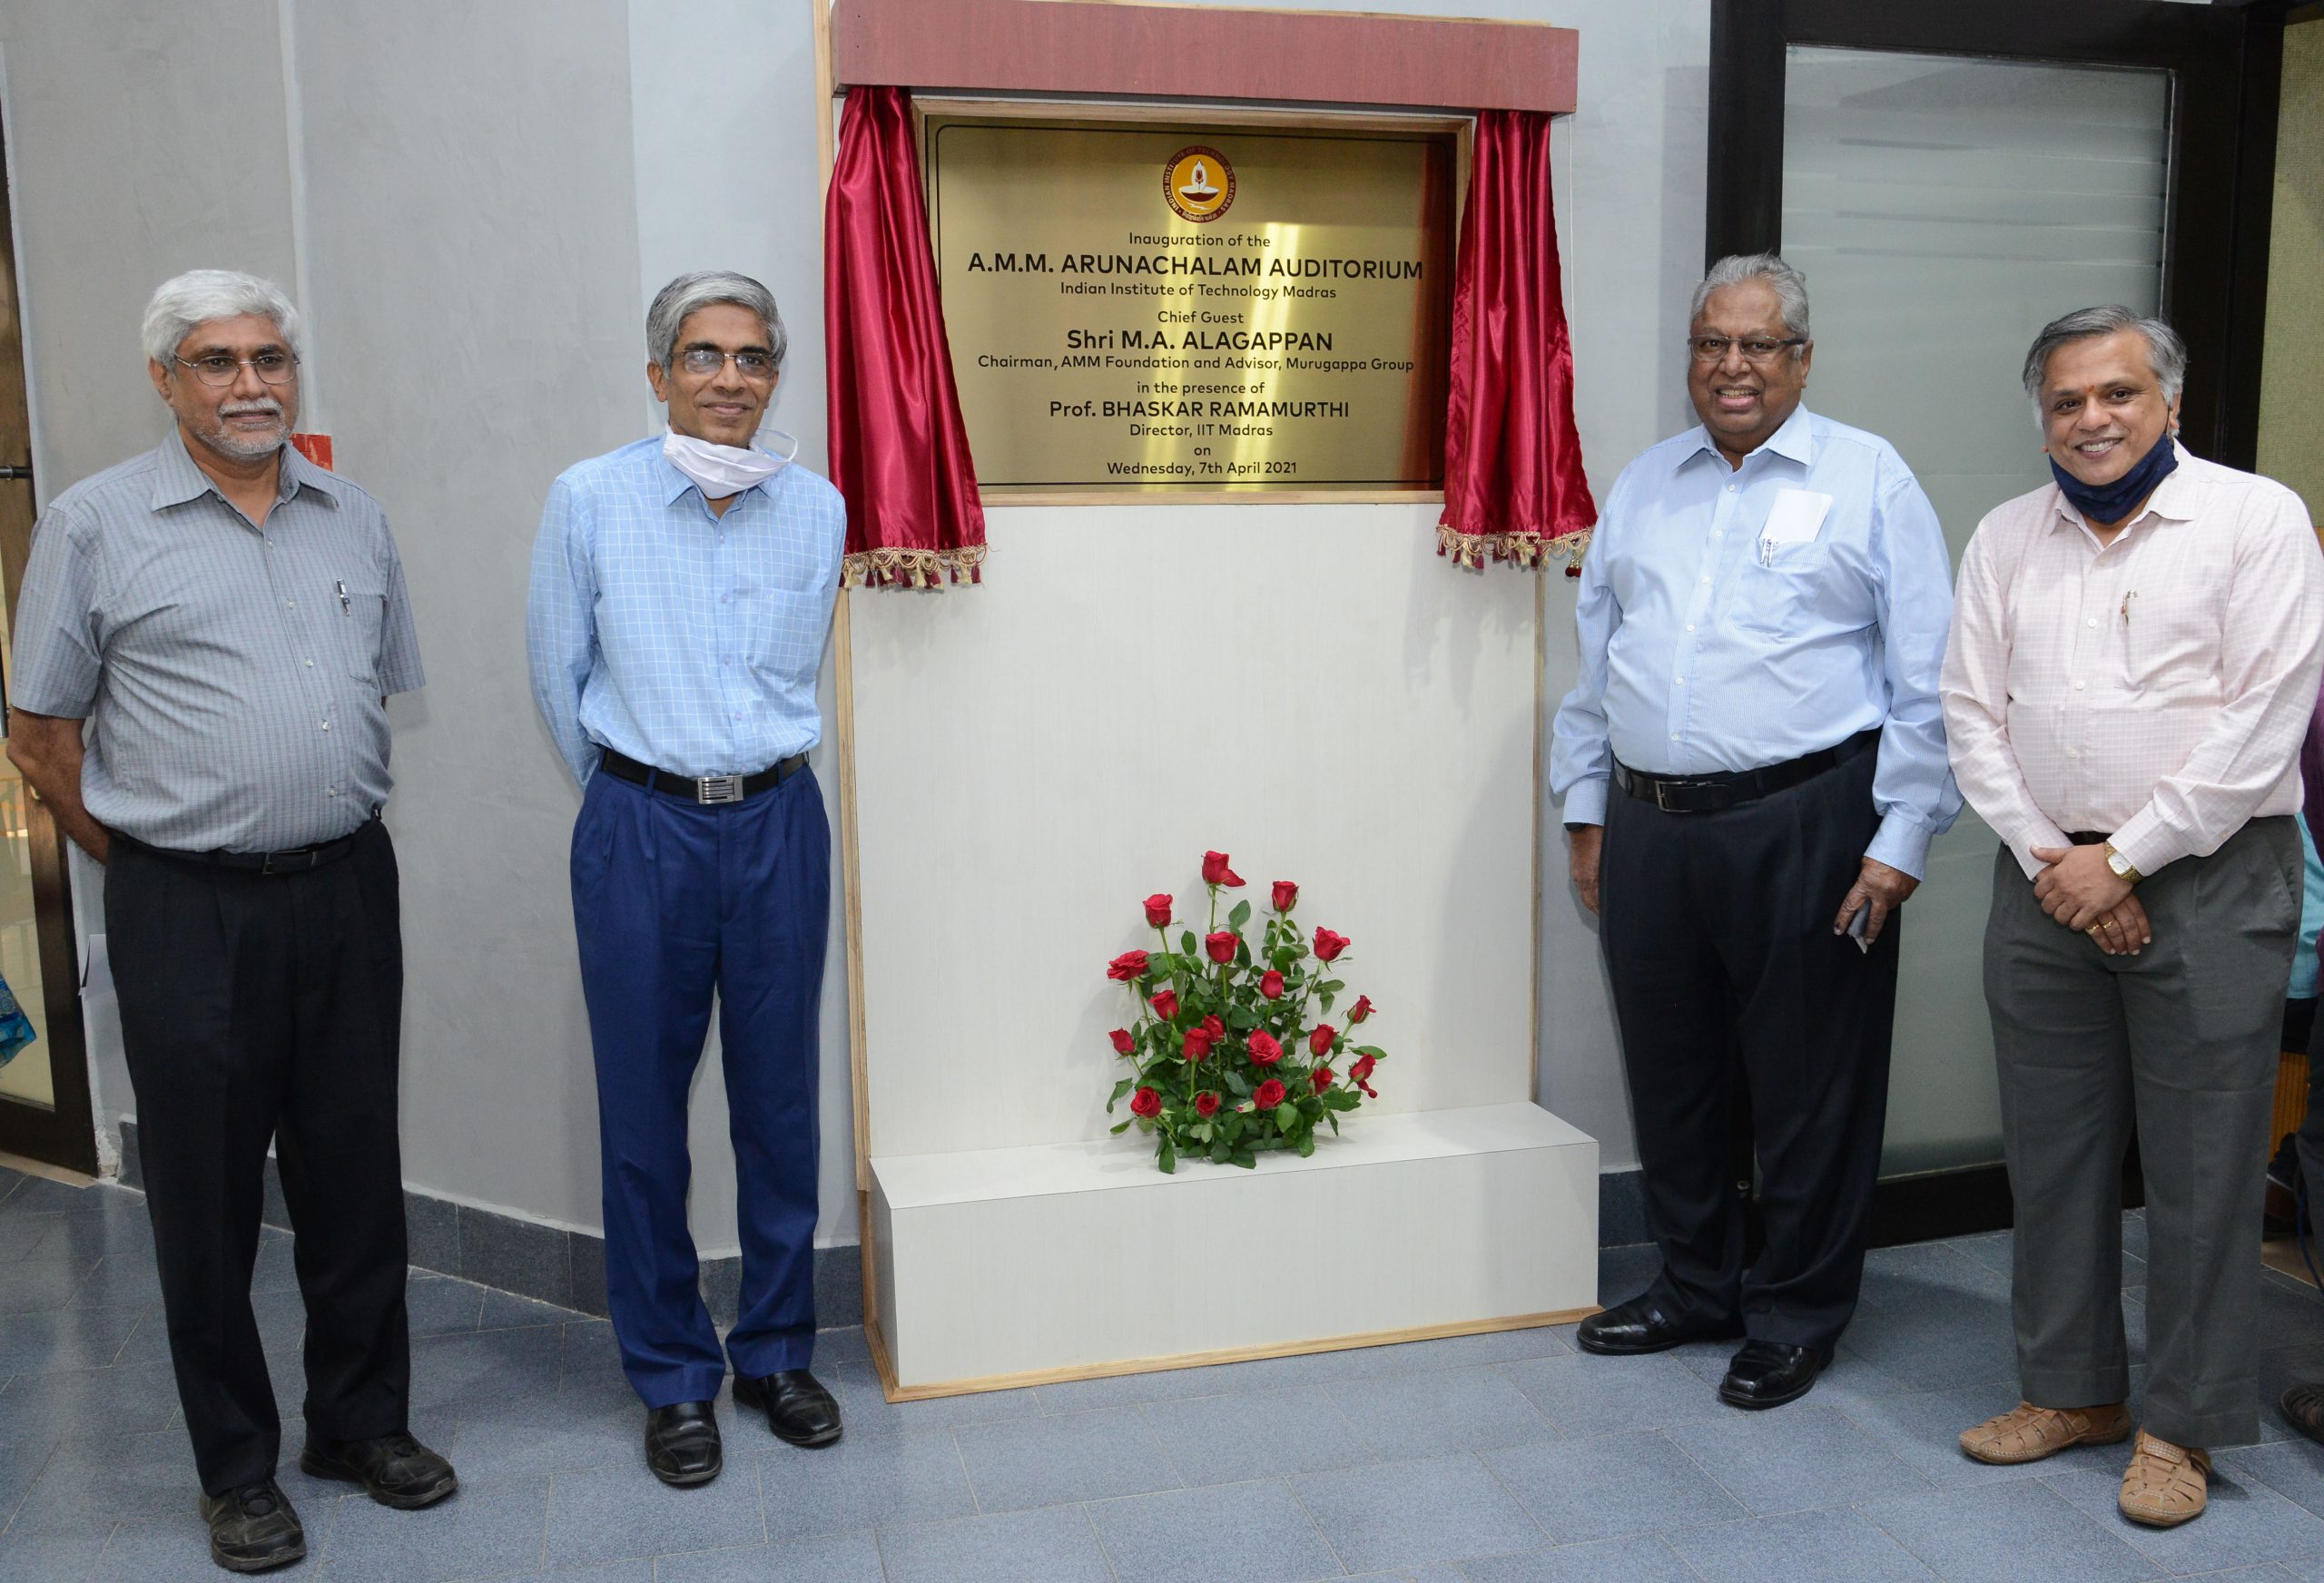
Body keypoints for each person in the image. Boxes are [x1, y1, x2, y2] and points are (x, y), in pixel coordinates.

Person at [5, 270, 449, 1573]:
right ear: (165, 380)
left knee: (356, 1177)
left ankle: (361, 1427)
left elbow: (382, 695)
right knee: (204, 1199)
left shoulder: (352, 520)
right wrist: (146, 862)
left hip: (349, 892)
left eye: (270, 357)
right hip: (186, 911)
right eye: (215, 361)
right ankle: (238, 1472)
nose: (250, 382)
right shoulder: (94, 527)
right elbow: (39, 738)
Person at [1549, 253, 1959, 1410]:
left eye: (1757, 344)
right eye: (1710, 343)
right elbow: (1600, 664)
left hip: (1809, 820)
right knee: (1671, 1071)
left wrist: (1900, 838)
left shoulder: (1867, 478)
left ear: (1800, 360)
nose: (1731, 366)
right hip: (1651, 824)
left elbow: (1930, 677)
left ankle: (1796, 1309)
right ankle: (1695, 1284)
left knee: (1808, 1082)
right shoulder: (1646, 484)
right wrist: (1588, 811)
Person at [1943, 305, 2324, 1526]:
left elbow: (2264, 717)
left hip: (2211, 876)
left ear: (2167, 398)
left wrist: (2133, 857)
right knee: (2052, 1155)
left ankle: (2181, 1424)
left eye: (2117, 394)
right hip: (2044, 874)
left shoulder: (2256, 521)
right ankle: (2073, 1392)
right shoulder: (2008, 538)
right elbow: (1969, 714)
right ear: (2041, 415)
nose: (2091, 420)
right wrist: (2062, 860)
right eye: (2066, 401)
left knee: (2206, 1167)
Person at [527, 271, 846, 1487]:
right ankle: (671, 1376)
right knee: (644, 1120)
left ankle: (772, 1351)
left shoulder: (815, 507)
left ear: (776, 376)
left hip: (776, 825)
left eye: (753, 358)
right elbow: (558, 680)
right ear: (658, 373)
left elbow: (794, 670)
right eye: (703, 356)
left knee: (779, 1106)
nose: (730, 379)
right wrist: (641, 795)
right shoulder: (589, 500)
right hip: (642, 829)